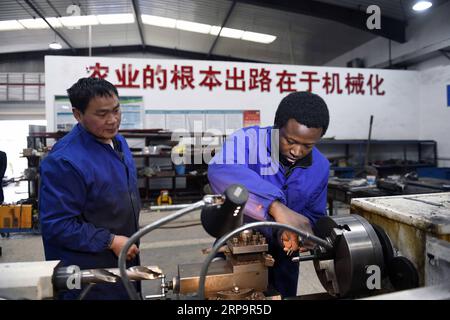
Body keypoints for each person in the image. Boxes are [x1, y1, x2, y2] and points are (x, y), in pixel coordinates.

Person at [208, 91, 330, 297]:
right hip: (238, 252)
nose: (297, 151)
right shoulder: (247, 141)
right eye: (290, 141)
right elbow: (219, 170)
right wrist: (274, 206)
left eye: (307, 145)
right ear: (277, 127)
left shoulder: (320, 167)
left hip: (286, 261)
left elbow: (314, 216)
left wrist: (296, 233)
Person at [39, 77, 141, 300]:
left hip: (123, 257)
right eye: (102, 114)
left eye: (116, 110)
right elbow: (57, 225)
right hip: (88, 272)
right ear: (77, 114)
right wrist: (110, 240)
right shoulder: (65, 161)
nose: (113, 120)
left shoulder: (119, 142)